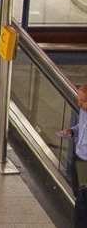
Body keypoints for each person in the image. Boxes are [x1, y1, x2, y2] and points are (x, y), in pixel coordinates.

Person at [57, 83, 87, 226]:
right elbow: (81, 127)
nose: (79, 104)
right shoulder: (83, 111)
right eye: (78, 99)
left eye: (83, 101)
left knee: (82, 198)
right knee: (77, 190)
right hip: (79, 157)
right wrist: (72, 131)